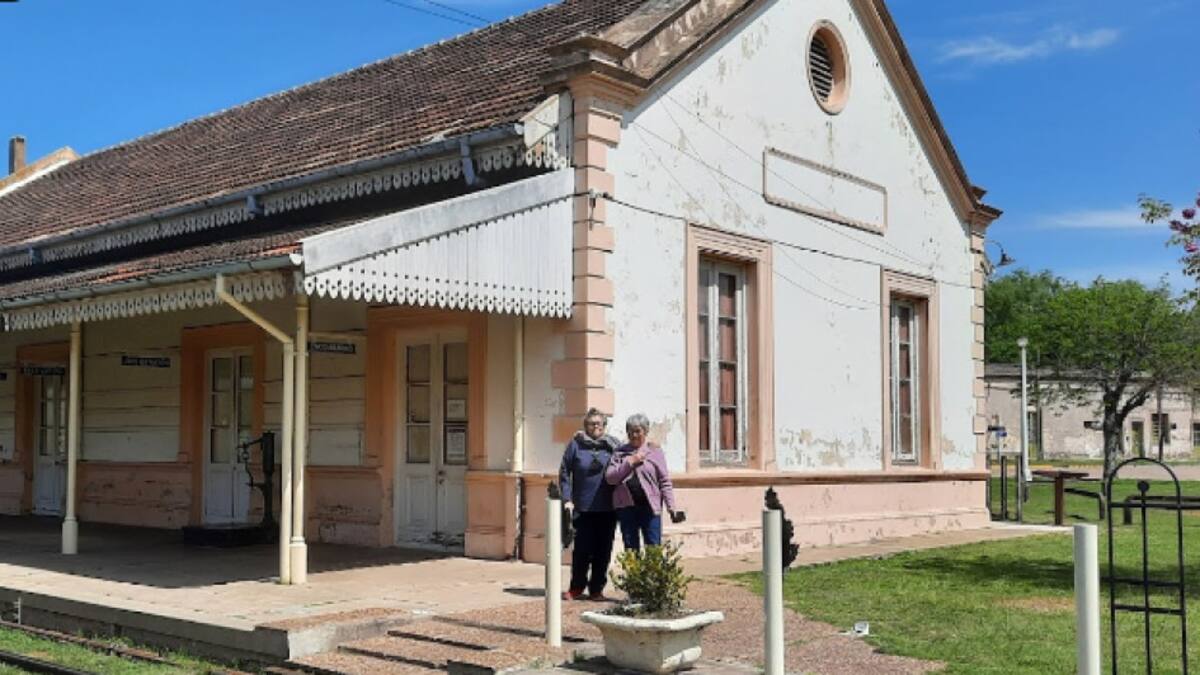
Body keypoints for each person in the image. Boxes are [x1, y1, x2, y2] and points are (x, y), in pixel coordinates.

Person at [558, 407, 620, 601]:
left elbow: (627, 459)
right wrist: (567, 499)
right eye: (591, 423)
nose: (595, 427)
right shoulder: (575, 445)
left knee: (603, 550)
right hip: (582, 508)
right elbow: (564, 472)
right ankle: (576, 587)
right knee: (582, 551)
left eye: (599, 423)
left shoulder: (613, 445)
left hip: (608, 508)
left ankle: (596, 589)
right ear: (585, 426)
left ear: (604, 426)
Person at [606, 413, 676, 551]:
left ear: (645, 431)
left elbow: (664, 481)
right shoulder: (619, 453)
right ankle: (634, 574)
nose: (634, 435)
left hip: (650, 508)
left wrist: (671, 507)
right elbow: (610, 478)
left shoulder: (655, 452)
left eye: (637, 431)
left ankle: (652, 574)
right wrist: (630, 462)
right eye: (630, 431)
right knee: (631, 549)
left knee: (653, 548)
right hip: (626, 508)